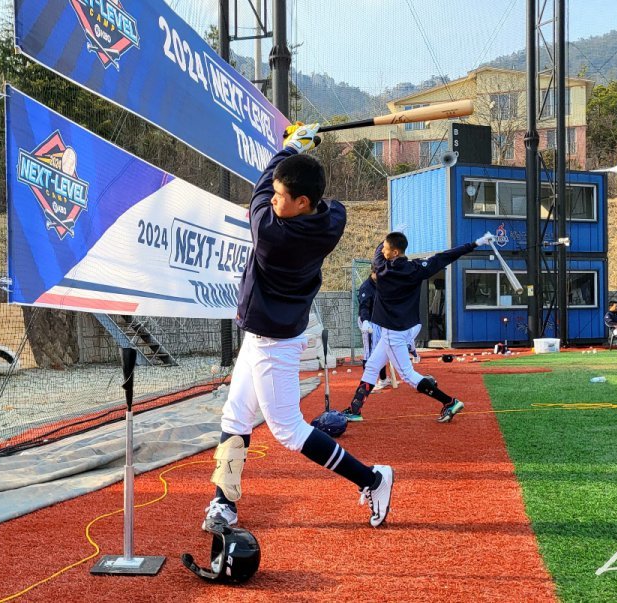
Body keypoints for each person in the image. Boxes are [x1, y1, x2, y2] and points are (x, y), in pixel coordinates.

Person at [203, 123, 394, 533]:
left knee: (288, 430)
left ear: (302, 201)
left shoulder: (272, 233)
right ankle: (224, 503)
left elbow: (256, 193)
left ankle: (373, 479)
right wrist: (296, 158)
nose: (273, 199)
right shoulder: (332, 217)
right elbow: (311, 195)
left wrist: (288, 148)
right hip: (265, 332)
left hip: (274, 340)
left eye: (281, 196)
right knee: (235, 417)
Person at [341, 231, 494, 423]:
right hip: (406, 328)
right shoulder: (417, 268)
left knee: (408, 375)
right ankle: (355, 409)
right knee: (372, 366)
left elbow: (377, 254)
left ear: (395, 252)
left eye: (387, 249)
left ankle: (449, 401)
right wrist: (476, 242)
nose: (384, 251)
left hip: (391, 332)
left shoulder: (383, 269)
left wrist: (390, 235)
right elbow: (446, 256)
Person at [357, 272, 391, 388]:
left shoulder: (380, 284)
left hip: (378, 320)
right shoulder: (366, 287)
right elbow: (364, 306)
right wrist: (366, 321)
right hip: (368, 321)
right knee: (369, 352)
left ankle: (383, 379)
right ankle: (366, 385)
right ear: (373, 272)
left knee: (380, 351)